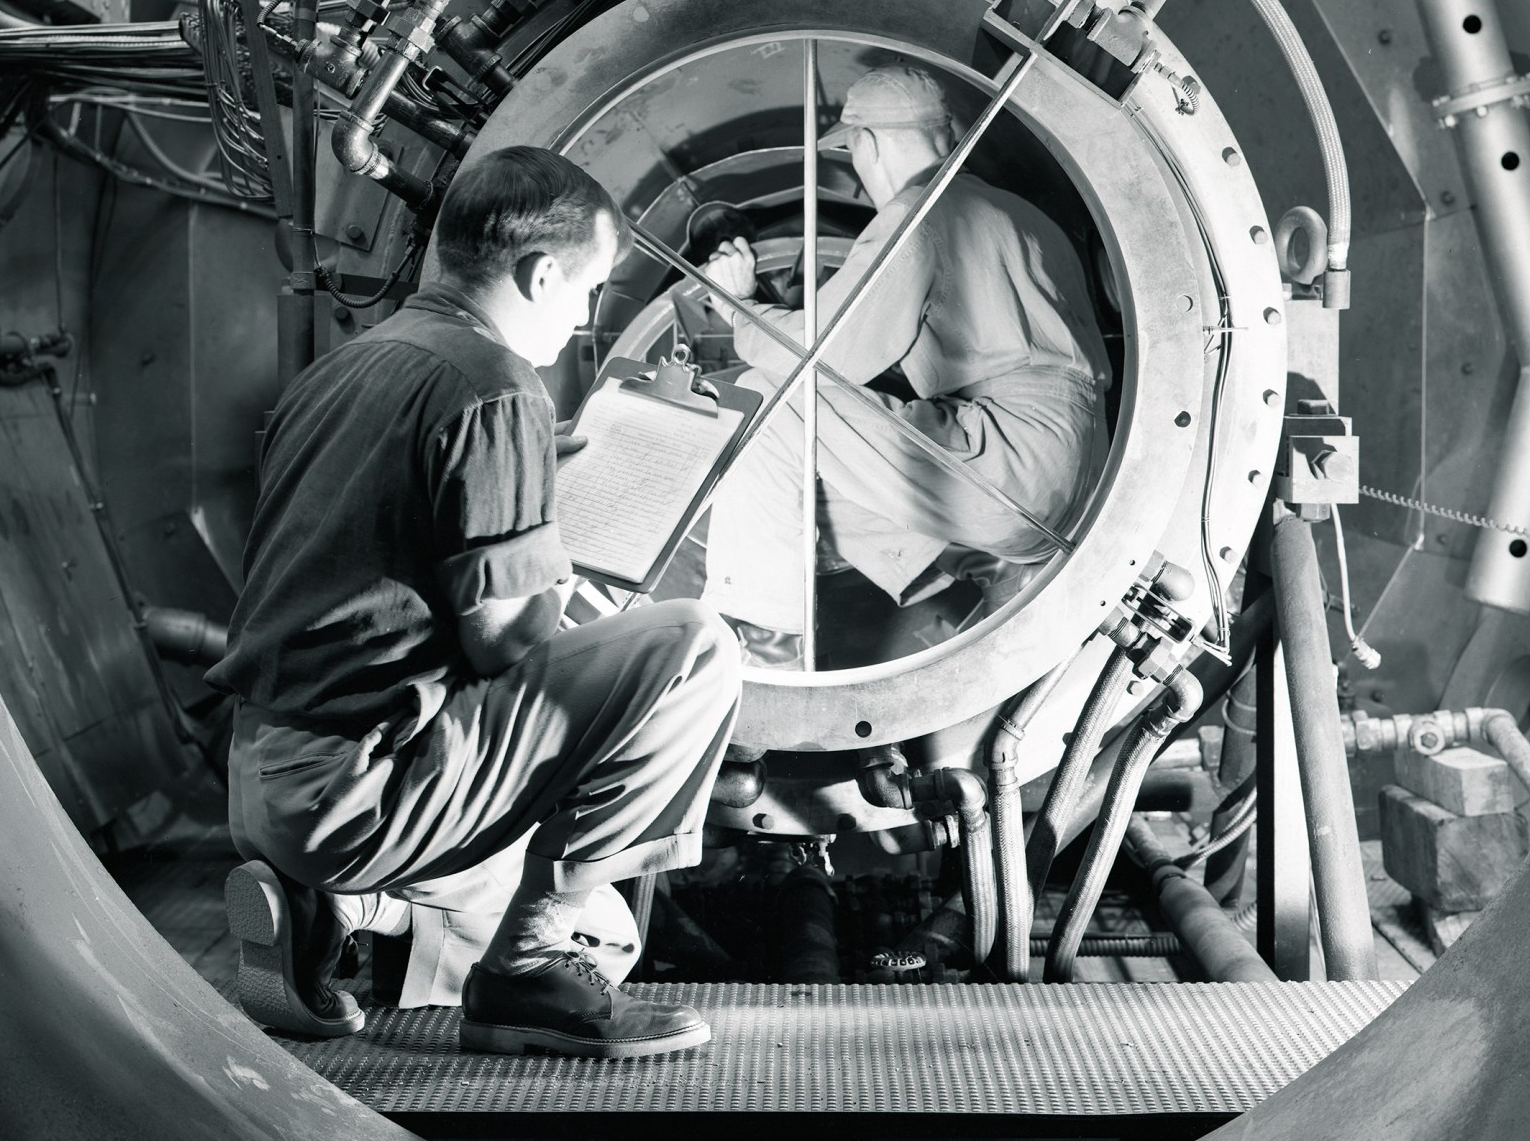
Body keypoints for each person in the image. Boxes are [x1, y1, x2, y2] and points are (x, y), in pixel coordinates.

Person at [210, 145, 740, 1057]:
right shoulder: (495, 388)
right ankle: (524, 972)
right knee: (693, 647)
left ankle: (332, 908)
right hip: (362, 786)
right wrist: (565, 574)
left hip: (265, 776)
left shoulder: (345, 370)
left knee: (608, 932)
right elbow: (505, 640)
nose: (584, 322)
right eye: (590, 292)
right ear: (540, 274)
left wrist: (530, 496)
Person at [699, 63, 1109, 663]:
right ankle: (985, 568)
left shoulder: (918, 214)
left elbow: (821, 357)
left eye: (854, 153)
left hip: (1005, 463)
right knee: (823, 471)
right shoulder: (1018, 213)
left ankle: (763, 640)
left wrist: (741, 308)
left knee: (765, 395)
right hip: (1074, 480)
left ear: (865, 143)